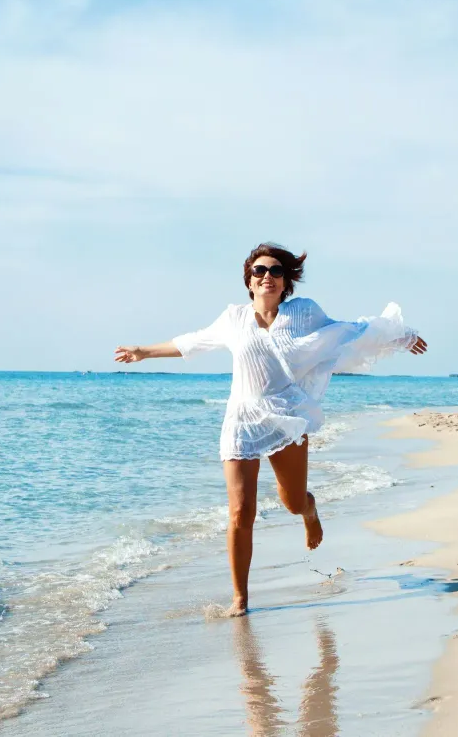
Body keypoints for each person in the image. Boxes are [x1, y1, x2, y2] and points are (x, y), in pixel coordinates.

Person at [114, 244, 427, 615]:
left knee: (292, 501)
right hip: (241, 420)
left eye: (276, 271)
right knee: (239, 512)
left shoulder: (304, 313)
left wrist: (399, 336)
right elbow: (191, 342)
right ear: (248, 280)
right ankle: (240, 599)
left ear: (285, 281)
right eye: (260, 270)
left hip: (286, 414)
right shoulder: (233, 319)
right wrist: (143, 352)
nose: (268, 276)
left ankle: (309, 512)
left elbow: (349, 332)